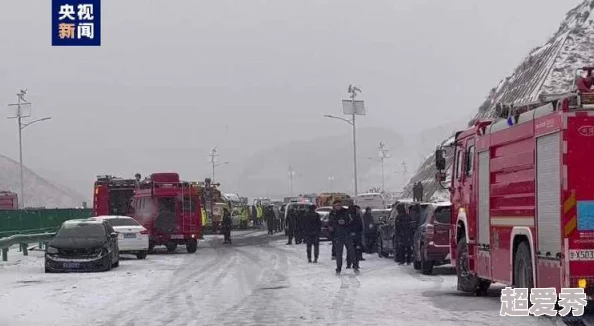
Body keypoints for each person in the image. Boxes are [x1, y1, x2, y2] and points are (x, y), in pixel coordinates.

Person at [328, 200, 358, 275]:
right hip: (338, 236)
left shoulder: (346, 212)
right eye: (337, 205)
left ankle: (355, 266)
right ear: (334, 206)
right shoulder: (332, 213)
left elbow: (352, 221)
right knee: (339, 254)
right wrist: (331, 228)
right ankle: (338, 269)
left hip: (347, 234)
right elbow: (330, 223)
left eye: (339, 205)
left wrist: (345, 223)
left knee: (351, 252)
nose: (338, 206)